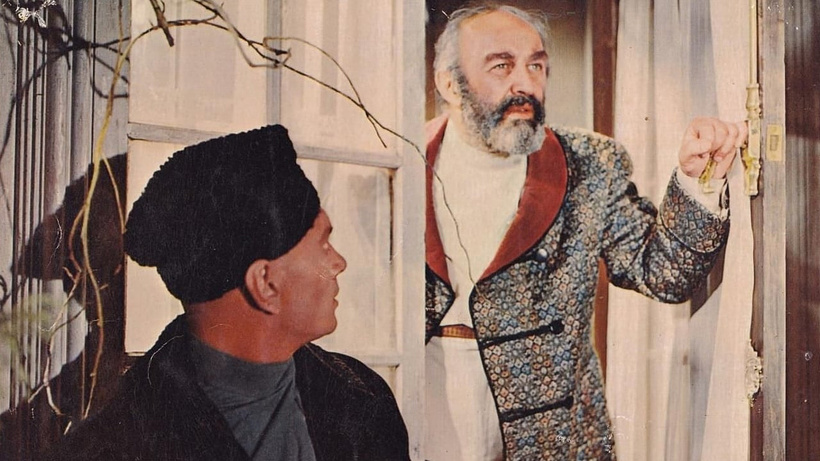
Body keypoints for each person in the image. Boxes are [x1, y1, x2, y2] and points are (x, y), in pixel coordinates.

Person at [424, 4, 747, 460]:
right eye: (502, 66)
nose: (525, 84)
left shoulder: (590, 163)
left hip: (552, 427)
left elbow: (664, 274)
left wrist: (697, 179)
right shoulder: (398, 160)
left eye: (536, 65)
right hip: (426, 396)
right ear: (448, 84)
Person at [45, 125, 410, 461]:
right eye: (323, 244)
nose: (339, 263)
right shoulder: (119, 444)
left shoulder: (361, 398)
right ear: (265, 284)